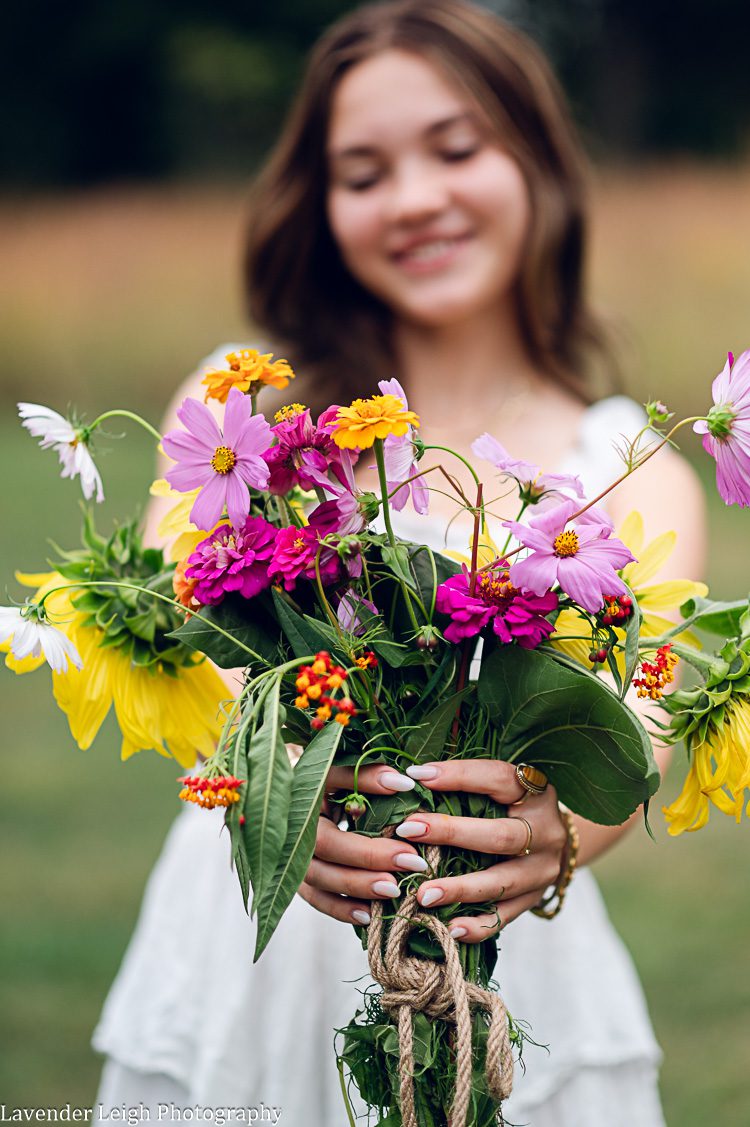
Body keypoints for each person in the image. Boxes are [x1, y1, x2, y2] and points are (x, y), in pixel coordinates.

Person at [92, 2, 705, 1124]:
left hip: (491, 938)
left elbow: (642, 721)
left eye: (458, 148)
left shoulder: (627, 460)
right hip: (255, 934)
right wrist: (272, 794)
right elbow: (192, 640)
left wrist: (558, 833)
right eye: (364, 171)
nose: (417, 197)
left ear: (540, 165)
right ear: (321, 208)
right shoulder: (245, 408)